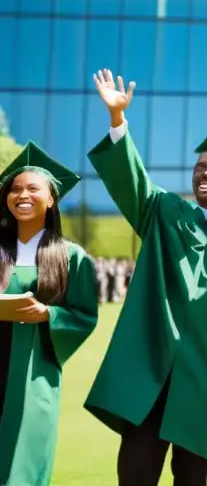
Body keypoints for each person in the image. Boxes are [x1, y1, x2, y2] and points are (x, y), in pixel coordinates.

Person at [85, 70, 207, 486]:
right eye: (200, 166)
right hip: (151, 371)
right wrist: (118, 120)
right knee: (135, 473)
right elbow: (132, 180)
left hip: (206, 378)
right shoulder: (166, 214)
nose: (205, 173)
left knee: (193, 475)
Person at [0, 142, 98, 486]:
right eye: (14, 189)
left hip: (32, 371)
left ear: (51, 199)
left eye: (32, 188)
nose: (21, 195)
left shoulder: (72, 258)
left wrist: (48, 315)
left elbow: (84, 315)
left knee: (21, 460)